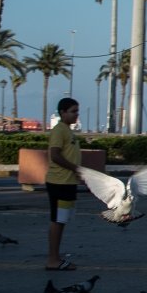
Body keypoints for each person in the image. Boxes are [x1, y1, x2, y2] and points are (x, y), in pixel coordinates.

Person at [44, 98, 83, 271]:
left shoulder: (67, 131)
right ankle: (53, 259)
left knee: (61, 221)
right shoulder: (59, 130)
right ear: (63, 113)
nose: (76, 115)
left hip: (67, 182)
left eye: (77, 111)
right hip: (59, 182)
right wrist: (75, 168)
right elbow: (55, 155)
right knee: (57, 221)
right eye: (73, 111)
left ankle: (56, 257)